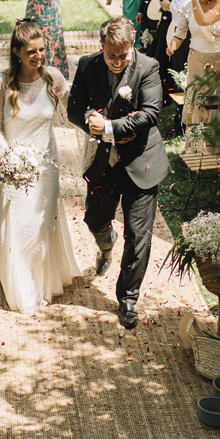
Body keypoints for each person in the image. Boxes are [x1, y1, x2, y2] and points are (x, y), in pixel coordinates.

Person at [67, 17, 171, 329]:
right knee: (94, 220)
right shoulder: (88, 66)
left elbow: (151, 113)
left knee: (138, 236)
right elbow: (74, 109)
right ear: (101, 46)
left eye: (123, 55)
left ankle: (128, 299)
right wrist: (91, 120)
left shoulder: (148, 67)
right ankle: (105, 243)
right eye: (111, 55)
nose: (116, 62)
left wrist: (110, 127)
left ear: (132, 45)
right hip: (105, 163)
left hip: (141, 161)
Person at [0, 20, 81, 313]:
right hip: (14, 165)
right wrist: (8, 154)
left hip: (45, 165)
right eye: (31, 51)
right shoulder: (2, 83)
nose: (39, 56)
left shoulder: (53, 78)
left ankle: (40, 281)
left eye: (42, 49)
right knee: (18, 223)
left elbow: (75, 111)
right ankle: (19, 282)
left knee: (41, 223)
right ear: (17, 52)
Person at [169, 0, 220, 126]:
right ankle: (197, 134)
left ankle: (218, 134)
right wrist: (172, 47)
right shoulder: (189, 5)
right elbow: (180, 33)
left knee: (218, 98)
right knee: (197, 98)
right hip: (197, 58)